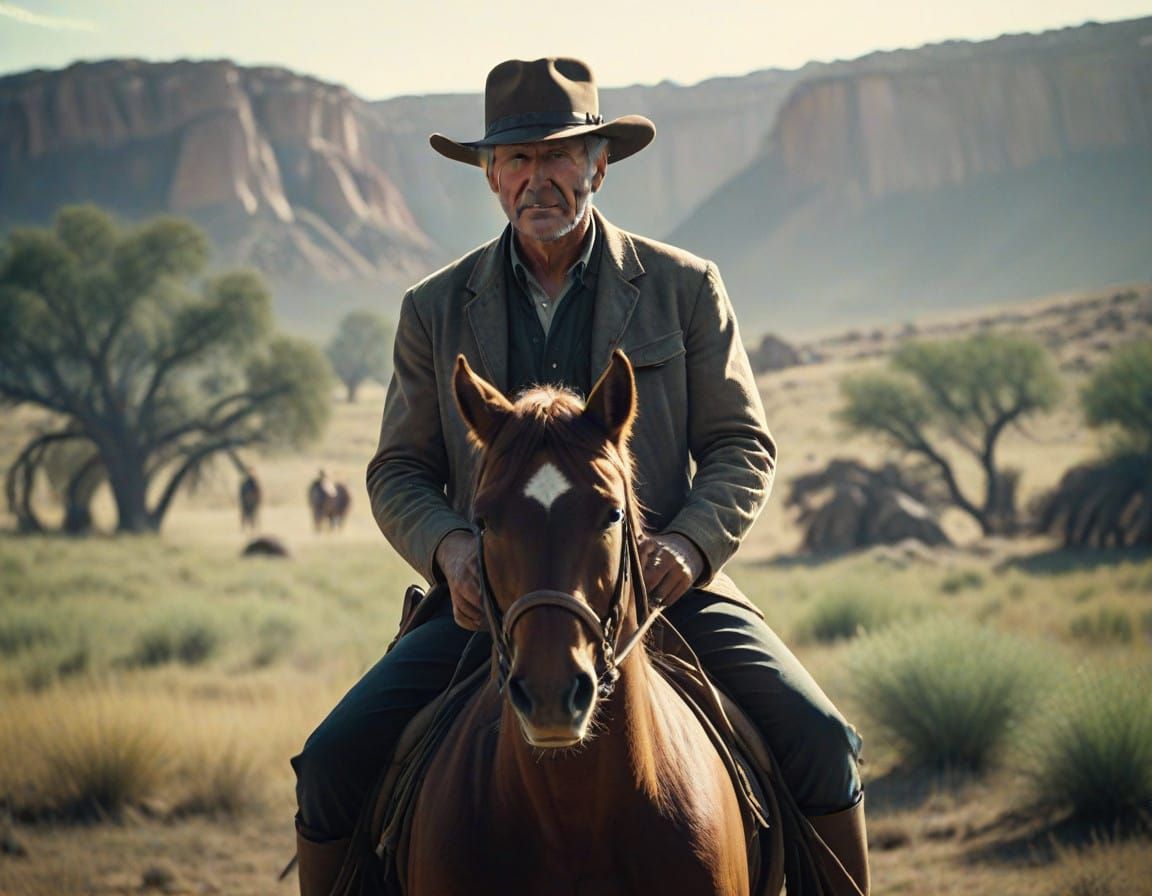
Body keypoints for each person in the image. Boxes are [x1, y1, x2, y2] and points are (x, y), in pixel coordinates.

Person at [291, 57, 869, 895]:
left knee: (820, 739)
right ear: (491, 176)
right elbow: (399, 469)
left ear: (599, 163)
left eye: (561, 155)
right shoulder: (433, 307)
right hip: (494, 595)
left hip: (663, 589)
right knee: (333, 764)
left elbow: (744, 444)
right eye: (518, 160)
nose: (540, 179)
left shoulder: (685, 288)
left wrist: (690, 546)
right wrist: (452, 551)